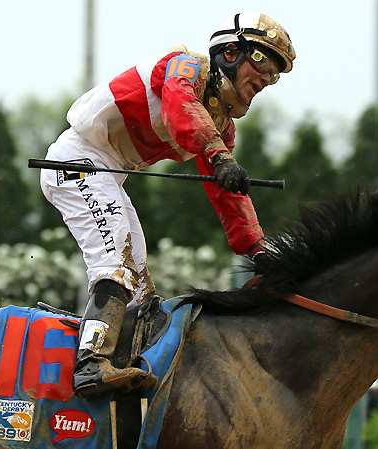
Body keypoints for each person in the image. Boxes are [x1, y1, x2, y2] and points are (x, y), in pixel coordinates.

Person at [39, 12, 296, 398]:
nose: (266, 78)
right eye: (262, 62)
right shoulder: (185, 68)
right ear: (230, 53)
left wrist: (258, 250)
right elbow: (180, 106)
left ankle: (120, 360)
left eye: (273, 75)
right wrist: (218, 155)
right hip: (76, 163)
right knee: (118, 263)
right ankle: (91, 364)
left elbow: (228, 197)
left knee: (141, 290)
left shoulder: (221, 126)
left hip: (106, 174)